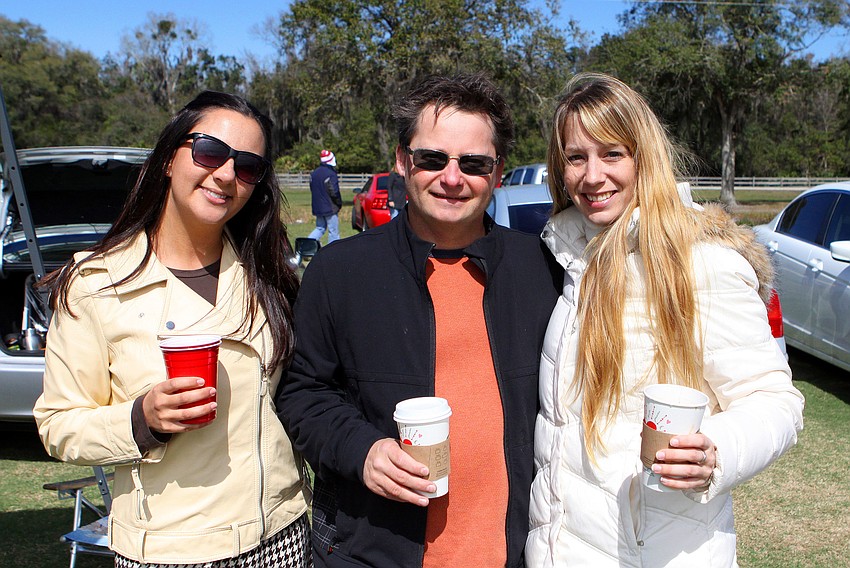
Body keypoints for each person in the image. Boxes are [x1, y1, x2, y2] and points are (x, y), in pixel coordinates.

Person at [277, 73, 562, 567]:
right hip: (371, 552)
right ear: (402, 161)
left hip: (513, 553)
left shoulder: (542, 270)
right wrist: (361, 449)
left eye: (474, 164)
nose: (452, 178)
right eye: (432, 159)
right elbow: (300, 392)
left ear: (497, 174)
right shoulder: (340, 271)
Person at [526, 72, 804, 567]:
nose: (593, 176)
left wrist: (713, 453)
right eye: (576, 157)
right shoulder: (569, 260)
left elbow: (776, 401)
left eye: (612, 153)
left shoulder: (699, 261)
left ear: (644, 157)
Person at [33, 91, 312, 567]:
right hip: (171, 549)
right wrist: (141, 419)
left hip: (282, 533)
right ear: (167, 158)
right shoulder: (95, 283)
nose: (225, 174)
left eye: (247, 166)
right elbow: (58, 424)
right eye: (209, 151)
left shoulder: (267, 275)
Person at [308, 149, 342, 244]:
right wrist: (339, 203)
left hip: (318, 206)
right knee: (333, 231)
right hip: (330, 207)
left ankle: (307, 246)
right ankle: (333, 251)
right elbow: (334, 192)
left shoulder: (314, 174)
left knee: (320, 228)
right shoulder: (331, 174)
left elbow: (312, 189)